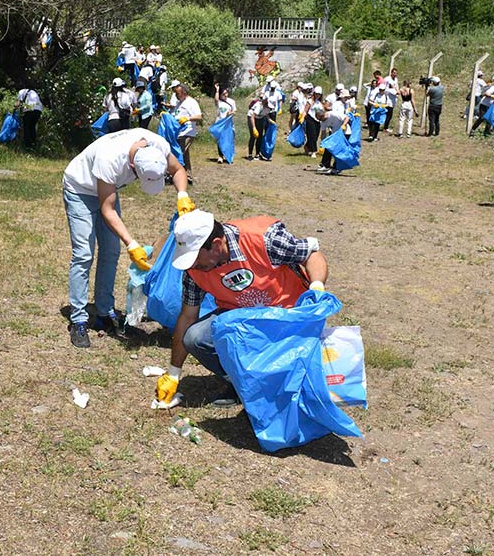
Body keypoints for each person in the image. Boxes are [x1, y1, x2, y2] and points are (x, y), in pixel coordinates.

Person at [152, 210, 329, 409]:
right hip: (239, 316)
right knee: (196, 337)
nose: (193, 265)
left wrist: (317, 289)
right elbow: (187, 316)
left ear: (217, 244)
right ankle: (243, 385)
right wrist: (173, 372)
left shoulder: (264, 239)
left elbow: (311, 254)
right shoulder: (194, 270)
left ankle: (283, 379)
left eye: (197, 258)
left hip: (286, 315)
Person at [62, 128, 193, 348]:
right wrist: (132, 244)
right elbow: (108, 209)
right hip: (80, 189)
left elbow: (179, 169)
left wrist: (182, 195)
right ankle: (79, 319)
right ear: (133, 167)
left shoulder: (157, 145)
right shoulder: (110, 158)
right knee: (84, 254)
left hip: (107, 187)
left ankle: (104, 313)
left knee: (111, 252)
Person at [173, 83, 203, 179]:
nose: (176, 95)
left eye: (177, 93)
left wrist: (188, 119)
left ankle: (175, 175)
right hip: (179, 132)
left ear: (184, 92)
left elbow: (199, 117)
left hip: (187, 132)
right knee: (184, 154)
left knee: (179, 153)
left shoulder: (191, 102)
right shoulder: (179, 103)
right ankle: (188, 175)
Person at [214, 83, 236, 164]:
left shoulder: (232, 101)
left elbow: (234, 111)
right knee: (220, 140)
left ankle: (228, 155)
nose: (225, 95)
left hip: (229, 123)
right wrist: (217, 90)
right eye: (223, 94)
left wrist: (230, 113)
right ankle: (220, 156)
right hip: (220, 123)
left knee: (229, 140)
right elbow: (216, 100)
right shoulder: (219, 102)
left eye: (226, 93)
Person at [245, 96, 267, 161]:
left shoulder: (268, 106)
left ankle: (257, 154)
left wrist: (270, 120)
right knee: (253, 136)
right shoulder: (259, 106)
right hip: (251, 118)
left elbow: (266, 113)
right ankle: (250, 155)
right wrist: (254, 127)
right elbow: (252, 116)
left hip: (260, 118)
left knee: (260, 136)